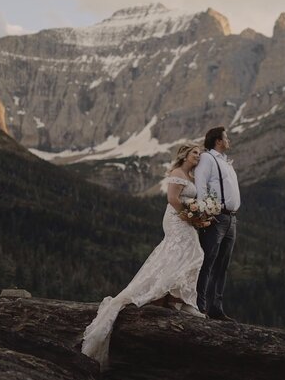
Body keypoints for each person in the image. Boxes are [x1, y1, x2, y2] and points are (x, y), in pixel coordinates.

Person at [81, 143, 208, 369]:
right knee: (191, 253)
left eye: (199, 153)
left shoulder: (191, 175)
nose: (198, 156)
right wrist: (190, 216)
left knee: (188, 254)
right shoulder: (177, 173)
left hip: (186, 218)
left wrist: (199, 213)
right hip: (176, 218)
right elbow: (172, 199)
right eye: (194, 153)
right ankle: (172, 297)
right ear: (185, 155)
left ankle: (176, 299)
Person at [194, 126, 240, 322]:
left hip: (231, 218)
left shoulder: (226, 162)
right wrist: (206, 212)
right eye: (226, 138)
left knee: (222, 265)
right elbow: (201, 184)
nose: (228, 141)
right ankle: (200, 306)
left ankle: (216, 308)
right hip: (216, 217)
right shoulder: (208, 158)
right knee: (208, 263)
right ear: (218, 141)